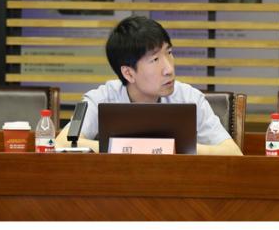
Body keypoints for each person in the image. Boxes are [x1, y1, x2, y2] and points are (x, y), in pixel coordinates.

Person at [54, 15, 242, 155]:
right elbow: (62, 143)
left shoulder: (190, 98)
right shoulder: (100, 99)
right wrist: (140, 147)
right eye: (155, 60)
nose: (169, 69)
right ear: (128, 73)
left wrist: (174, 148)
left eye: (169, 53)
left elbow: (233, 152)